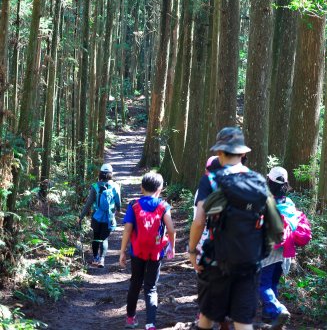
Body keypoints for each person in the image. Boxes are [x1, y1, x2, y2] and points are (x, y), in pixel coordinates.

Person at [188, 127, 283, 330]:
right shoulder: (258, 181)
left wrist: (192, 249)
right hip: (249, 263)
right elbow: (276, 226)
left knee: (206, 317)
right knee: (243, 323)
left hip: (215, 261)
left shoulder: (211, 180)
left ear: (220, 152)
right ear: (243, 153)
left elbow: (199, 221)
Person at [119, 171, 176, 330]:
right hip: (155, 252)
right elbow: (171, 229)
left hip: (137, 251)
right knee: (151, 287)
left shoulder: (134, 205)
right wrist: (172, 246)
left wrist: (122, 251)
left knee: (135, 283)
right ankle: (150, 323)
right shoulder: (163, 206)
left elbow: (128, 229)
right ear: (160, 188)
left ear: (141, 187)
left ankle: (130, 318)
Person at [259, 166, 311, 330]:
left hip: (268, 249)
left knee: (262, 284)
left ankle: (278, 309)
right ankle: (270, 314)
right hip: (285, 249)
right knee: (273, 281)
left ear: (269, 181)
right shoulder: (289, 203)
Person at [79, 162, 121, 268]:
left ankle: (95, 258)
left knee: (96, 237)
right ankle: (102, 260)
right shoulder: (115, 186)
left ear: (100, 173)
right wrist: (119, 209)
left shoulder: (95, 186)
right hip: (109, 217)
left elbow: (88, 203)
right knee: (104, 239)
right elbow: (118, 202)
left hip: (96, 216)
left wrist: (81, 216)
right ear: (111, 174)